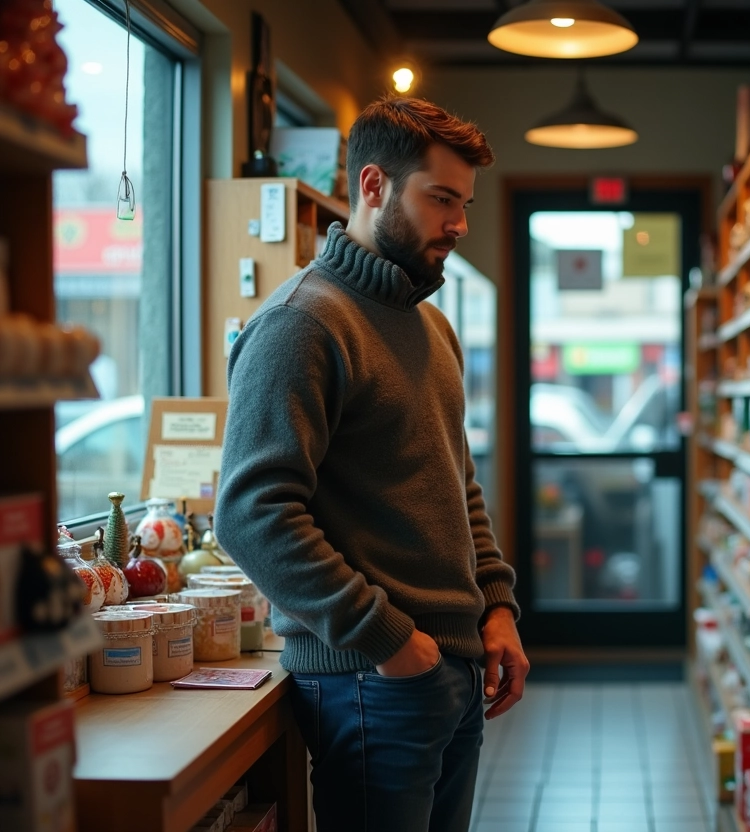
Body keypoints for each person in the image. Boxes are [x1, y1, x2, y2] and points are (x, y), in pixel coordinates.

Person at [215, 96, 528, 832]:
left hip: (446, 671)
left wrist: (499, 609)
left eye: (465, 202)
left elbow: (460, 488)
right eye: (441, 199)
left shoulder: (431, 326)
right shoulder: (302, 322)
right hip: (372, 677)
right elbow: (253, 512)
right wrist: (388, 640)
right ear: (375, 186)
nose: (458, 223)